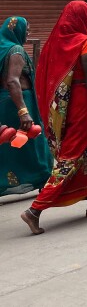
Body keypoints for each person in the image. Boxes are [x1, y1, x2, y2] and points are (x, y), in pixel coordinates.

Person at [22, 1, 87, 235]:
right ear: (83, 18)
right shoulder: (85, 43)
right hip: (85, 108)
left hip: (65, 110)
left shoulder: (55, 43)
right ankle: (34, 211)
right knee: (72, 157)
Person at [1, 16, 52, 197]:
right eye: (27, 30)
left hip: (5, 103)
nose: (28, 34)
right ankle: (44, 179)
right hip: (19, 102)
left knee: (9, 146)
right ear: (17, 31)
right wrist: (24, 112)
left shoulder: (2, 48)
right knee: (33, 143)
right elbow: (13, 81)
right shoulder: (16, 50)